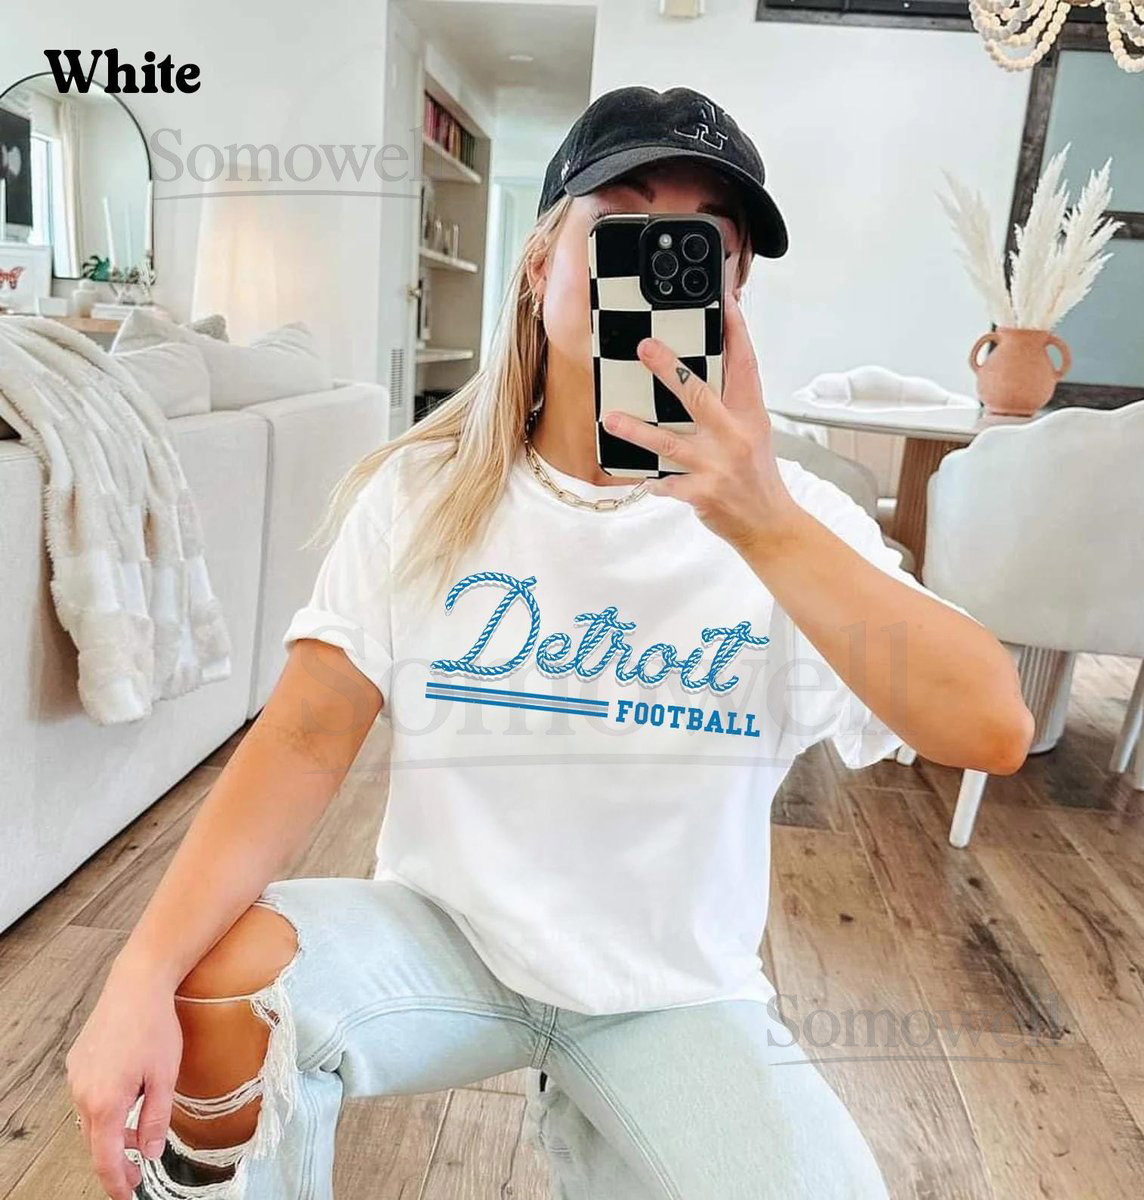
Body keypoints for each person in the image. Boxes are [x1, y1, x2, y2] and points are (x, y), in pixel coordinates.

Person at [66, 85, 1034, 1200]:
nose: (657, 263)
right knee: (223, 989)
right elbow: (300, 741)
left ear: (733, 298)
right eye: (621, 224)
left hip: (668, 992)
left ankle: (606, 1123)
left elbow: (993, 727)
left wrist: (764, 522)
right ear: (541, 266)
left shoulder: (793, 522)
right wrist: (138, 970)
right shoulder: (424, 495)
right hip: (446, 945)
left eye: (700, 248)